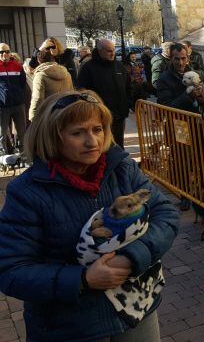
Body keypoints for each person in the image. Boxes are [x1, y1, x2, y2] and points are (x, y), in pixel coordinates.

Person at [0, 90, 179, 342]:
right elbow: (11, 270)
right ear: (53, 136)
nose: (92, 141)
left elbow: (166, 216)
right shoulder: (27, 192)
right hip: (71, 327)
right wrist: (82, 279)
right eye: (77, 132)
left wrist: (132, 257)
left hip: (135, 312)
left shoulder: (121, 168)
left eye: (97, 129)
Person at [78, 40, 131, 149]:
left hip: (119, 115)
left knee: (118, 144)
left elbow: (128, 86)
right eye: (108, 51)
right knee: (103, 145)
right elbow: (82, 91)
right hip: (99, 115)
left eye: (113, 50)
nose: (112, 53)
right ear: (100, 51)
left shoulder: (119, 66)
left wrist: (128, 104)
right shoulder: (88, 68)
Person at [155, 43, 204, 113]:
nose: (180, 63)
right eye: (177, 59)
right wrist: (189, 96)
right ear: (171, 59)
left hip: (198, 120)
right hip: (178, 121)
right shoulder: (163, 80)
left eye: (183, 58)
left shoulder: (198, 74)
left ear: (188, 58)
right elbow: (166, 108)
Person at [30, 41, 74, 121]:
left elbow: (37, 98)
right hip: (66, 112)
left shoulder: (40, 75)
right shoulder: (66, 73)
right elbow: (71, 93)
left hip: (49, 115)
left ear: (39, 60)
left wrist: (33, 116)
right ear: (53, 58)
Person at [0, 44, 26, 155]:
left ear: (10, 52)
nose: (4, 54)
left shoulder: (18, 66)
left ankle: (24, 156)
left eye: (6, 51)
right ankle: (3, 158)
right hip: (2, 107)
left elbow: (22, 83)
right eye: (1, 52)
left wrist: (19, 96)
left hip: (18, 105)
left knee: (22, 133)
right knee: (2, 135)